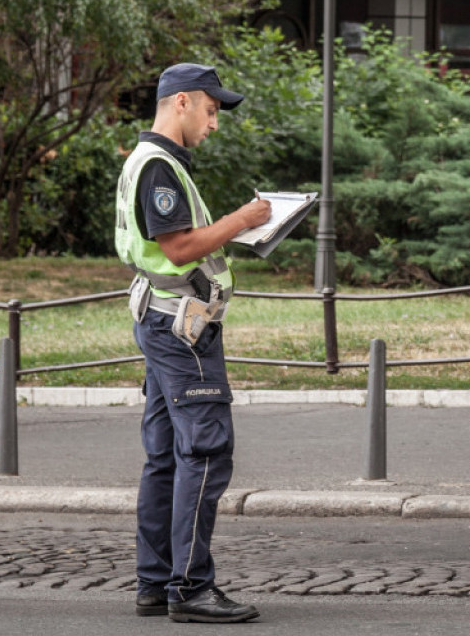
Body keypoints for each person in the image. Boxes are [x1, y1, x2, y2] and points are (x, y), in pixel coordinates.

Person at [114, 62, 271, 624]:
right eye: (210, 109)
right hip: (182, 330)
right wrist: (242, 218)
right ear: (180, 102)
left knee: (164, 457)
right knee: (204, 453)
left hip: (161, 319)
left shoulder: (150, 160)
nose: (214, 122)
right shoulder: (159, 166)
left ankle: (155, 582)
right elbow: (179, 248)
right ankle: (190, 588)